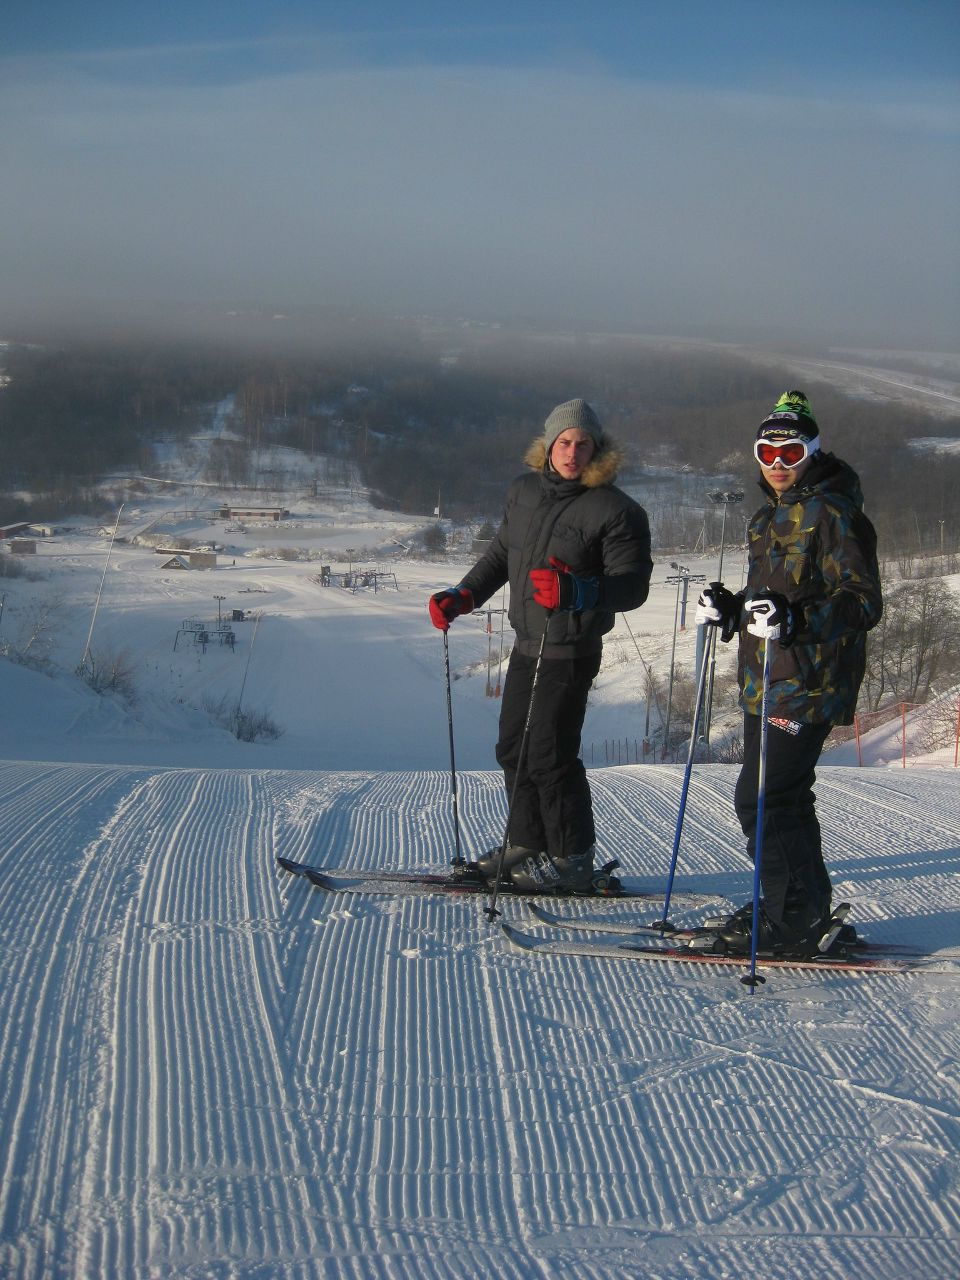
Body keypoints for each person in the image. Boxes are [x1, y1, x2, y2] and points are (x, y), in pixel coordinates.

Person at [429, 399, 652, 892]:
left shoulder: (616, 510)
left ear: (597, 449)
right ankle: (527, 840)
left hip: (571, 650)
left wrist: (578, 591)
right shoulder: (523, 492)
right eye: (565, 443)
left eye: (583, 444)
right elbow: (502, 554)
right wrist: (464, 594)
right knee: (513, 748)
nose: (573, 452)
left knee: (550, 756)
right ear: (549, 446)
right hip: (529, 644)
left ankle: (572, 858)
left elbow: (633, 586)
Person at [696, 390, 883, 954]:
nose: (777, 465)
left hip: (810, 679)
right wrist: (733, 610)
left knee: (768, 797)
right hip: (767, 678)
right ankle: (790, 902)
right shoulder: (766, 517)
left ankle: (793, 915)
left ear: (812, 452)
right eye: (767, 453)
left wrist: (795, 619)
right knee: (775, 796)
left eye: (791, 453)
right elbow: (770, 600)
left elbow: (863, 603)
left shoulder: (835, 514)